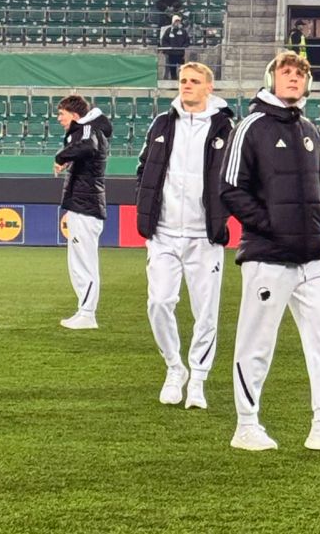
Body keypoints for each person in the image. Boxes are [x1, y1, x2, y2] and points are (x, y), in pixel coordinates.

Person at [222, 51, 320, 452]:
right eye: (286, 72)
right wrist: (271, 225)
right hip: (267, 255)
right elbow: (230, 189)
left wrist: (319, 221)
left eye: (300, 74)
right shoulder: (250, 126)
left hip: (311, 257)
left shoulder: (309, 128)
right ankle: (246, 425)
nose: (293, 78)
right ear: (272, 79)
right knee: (257, 341)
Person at [135, 62, 235, 408]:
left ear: (210, 87)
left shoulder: (227, 128)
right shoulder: (162, 123)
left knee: (205, 312)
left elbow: (238, 176)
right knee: (159, 303)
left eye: (194, 81)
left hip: (204, 236)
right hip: (162, 233)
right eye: (182, 81)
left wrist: (222, 214)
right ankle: (174, 368)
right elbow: (143, 168)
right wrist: (147, 205)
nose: (186, 86)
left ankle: (199, 379)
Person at [54, 94, 112, 329]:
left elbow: (87, 146)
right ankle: (84, 311)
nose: (59, 118)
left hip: (85, 207)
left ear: (75, 115)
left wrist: (61, 156)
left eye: (61, 113)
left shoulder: (87, 129)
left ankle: (87, 313)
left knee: (83, 263)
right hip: (84, 205)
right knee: (80, 261)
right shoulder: (89, 130)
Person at [159, 15, 190, 81]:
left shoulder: (183, 31)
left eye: (178, 21)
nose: (177, 23)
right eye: (176, 21)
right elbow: (164, 41)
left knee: (182, 69)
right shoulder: (168, 31)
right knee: (172, 69)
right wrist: (168, 48)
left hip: (180, 54)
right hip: (171, 54)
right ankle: (173, 83)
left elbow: (187, 41)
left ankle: (182, 82)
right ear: (173, 22)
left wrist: (183, 47)